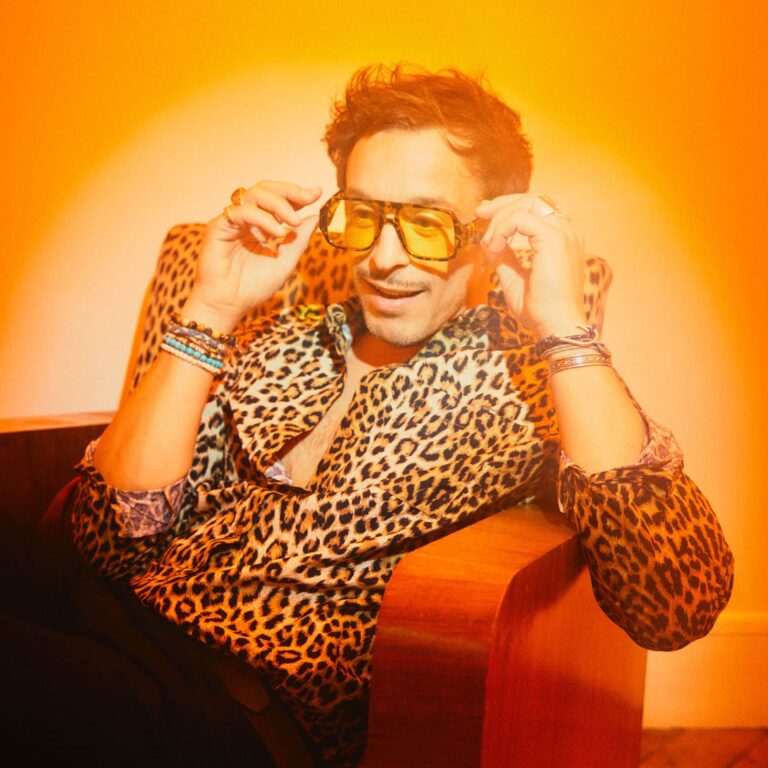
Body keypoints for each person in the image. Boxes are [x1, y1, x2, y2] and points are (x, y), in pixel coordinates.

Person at [2, 64, 733, 767]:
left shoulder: (532, 378)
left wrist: (564, 328)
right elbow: (106, 539)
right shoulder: (285, 338)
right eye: (363, 216)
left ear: (490, 233)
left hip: (236, 711)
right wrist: (212, 308)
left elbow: (673, 603)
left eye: (426, 223)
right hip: (115, 620)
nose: (383, 259)